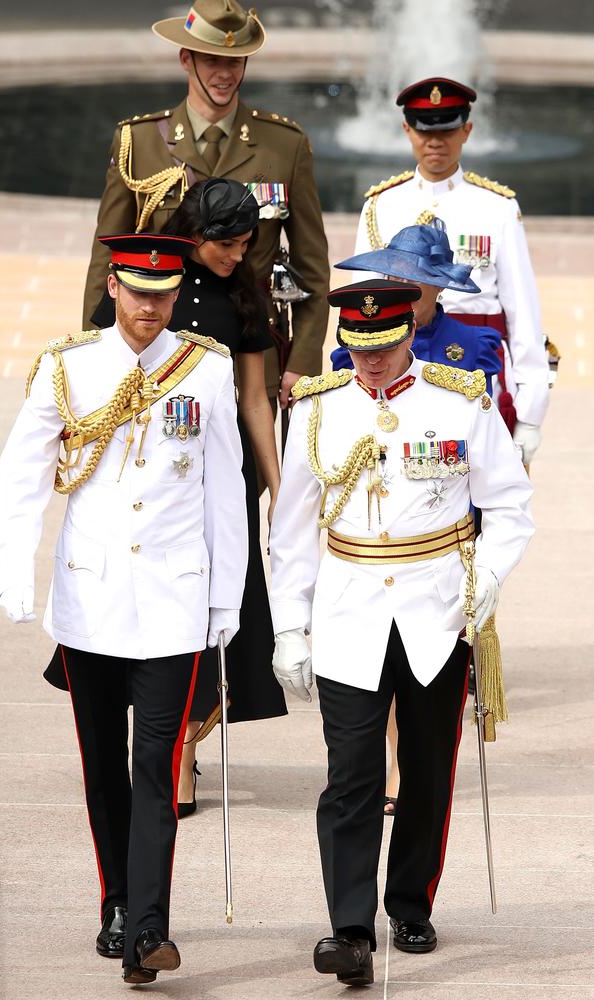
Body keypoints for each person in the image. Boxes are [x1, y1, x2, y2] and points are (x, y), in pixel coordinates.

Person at [0, 234, 248, 985]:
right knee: (104, 764)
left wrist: (226, 593)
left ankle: (148, 930)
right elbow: (24, 472)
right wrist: (16, 569)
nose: (149, 309)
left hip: (174, 599)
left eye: (163, 295)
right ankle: (115, 902)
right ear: (113, 286)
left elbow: (223, 491)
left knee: (156, 766)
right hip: (91, 597)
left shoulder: (206, 368)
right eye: (138, 293)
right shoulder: (67, 367)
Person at [269, 279, 533, 984]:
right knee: (350, 777)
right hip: (349, 608)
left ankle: (410, 901)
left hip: (437, 610)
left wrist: (488, 583)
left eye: (383, 346)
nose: (371, 362)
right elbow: (292, 529)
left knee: (424, 772)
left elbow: (510, 506)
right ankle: (349, 929)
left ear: (409, 332)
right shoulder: (318, 410)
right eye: (357, 348)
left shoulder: (461, 400)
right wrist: (288, 626)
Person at [330, 217, 502, 816]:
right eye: (396, 275)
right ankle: (387, 762)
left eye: (419, 280)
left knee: (426, 664)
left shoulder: (472, 347)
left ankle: (407, 768)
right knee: (376, 663)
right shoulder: (350, 345)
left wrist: (484, 563)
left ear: (439, 287)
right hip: (373, 532)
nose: (406, 286)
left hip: (443, 527)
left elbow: (488, 445)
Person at [83, 0, 330, 412]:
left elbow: (312, 268)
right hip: (156, 349)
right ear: (186, 58)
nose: (225, 73)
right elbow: (106, 258)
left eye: (236, 61)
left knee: (249, 476)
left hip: (250, 356)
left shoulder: (285, 146)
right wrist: (98, 349)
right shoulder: (140, 142)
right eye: (213, 59)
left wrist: (302, 362)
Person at [161, 177, 287, 811]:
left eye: (245, 244)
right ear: (196, 234)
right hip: (155, 473)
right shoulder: (149, 277)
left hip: (222, 471)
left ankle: (183, 754)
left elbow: (255, 399)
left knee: (219, 605)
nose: (238, 256)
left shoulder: (244, 299)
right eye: (227, 245)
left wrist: (277, 487)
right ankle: (162, 741)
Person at [353, 76, 549, 466]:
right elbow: (363, 304)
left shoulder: (497, 207)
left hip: (479, 362)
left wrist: (530, 413)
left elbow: (523, 313)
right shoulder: (380, 205)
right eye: (425, 131)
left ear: (467, 130)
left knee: (487, 491)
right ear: (407, 129)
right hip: (398, 358)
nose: (435, 141)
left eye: (447, 129)